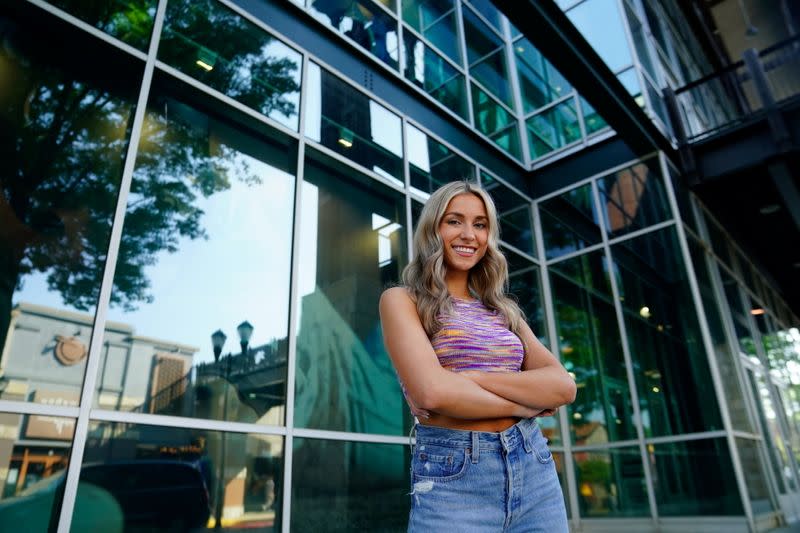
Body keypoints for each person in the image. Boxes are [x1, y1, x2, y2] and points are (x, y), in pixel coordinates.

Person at [379, 181, 576, 532]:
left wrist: (470, 379)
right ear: (433, 229)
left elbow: (562, 387)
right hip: (454, 476)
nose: (469, 234)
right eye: (455, 221)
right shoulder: (402, 300)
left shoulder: (504, 310)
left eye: (480, 224)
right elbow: (433, 393)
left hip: (534, 467)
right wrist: (527, 404)